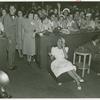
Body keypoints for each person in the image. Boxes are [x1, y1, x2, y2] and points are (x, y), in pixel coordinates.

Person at [3, 5, 18, 70]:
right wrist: (9, 38)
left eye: (13, 9)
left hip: (14, 37)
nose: (12, 10)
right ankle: (10, 66)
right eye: (10, 9)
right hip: (10, 38)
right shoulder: (6, 17)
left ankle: (12, 63)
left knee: (13, 51)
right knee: (10, 51)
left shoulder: (16, 17)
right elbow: (6, 28)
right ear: (9, 9)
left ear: (15, 10)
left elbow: (16, 28)